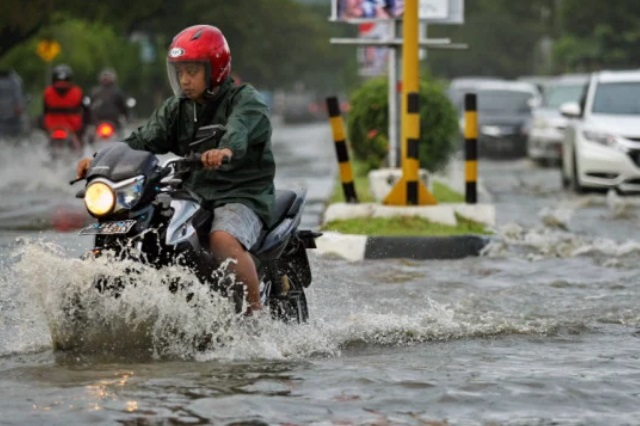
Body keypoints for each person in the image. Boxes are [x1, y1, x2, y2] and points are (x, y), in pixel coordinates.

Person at [76, 24, 275, 315]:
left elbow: (239, 129)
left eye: (192, 71)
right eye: (179, 72)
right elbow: (142, 139)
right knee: (152, 226)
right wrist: (99, 158)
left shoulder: (245, 100)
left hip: (242, 194)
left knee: (221, 240)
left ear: (215, 70)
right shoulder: (177, 108)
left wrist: (224, 150)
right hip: (195, 191)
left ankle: (255, 317)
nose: (184, 80)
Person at [43, 64, 87, 141]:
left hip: (52, 125)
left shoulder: (48, 92)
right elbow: (85, 109)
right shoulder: (77, 92)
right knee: (79, 142)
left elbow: (44, 110)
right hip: (72, 126)